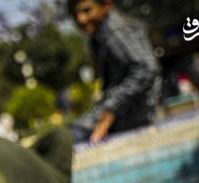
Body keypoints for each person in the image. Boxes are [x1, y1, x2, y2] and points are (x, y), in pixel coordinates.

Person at [69, 0, 161, 143]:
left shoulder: (114, 31)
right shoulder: (99, 35)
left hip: (132, 116)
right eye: (75, 15)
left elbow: (146, 69)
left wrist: (110, 112)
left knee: (72, 138)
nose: (81, 19)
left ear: (106, 5)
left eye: (87, 11)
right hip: (122, 114)